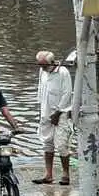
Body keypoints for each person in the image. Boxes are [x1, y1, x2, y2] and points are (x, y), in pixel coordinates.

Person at [33, 51, 74, 186]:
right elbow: (41, 91)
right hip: (45, 112)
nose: (42, 68)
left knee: (62, 145)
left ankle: (65, 174)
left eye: (44, 65)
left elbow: (67, 93)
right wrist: (41, 111)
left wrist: (57, 112)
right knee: (47, 143)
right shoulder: (42, 72)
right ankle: (48, 175)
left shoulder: (63, 72)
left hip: (61, 114)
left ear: (51, 62)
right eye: (41, 65)